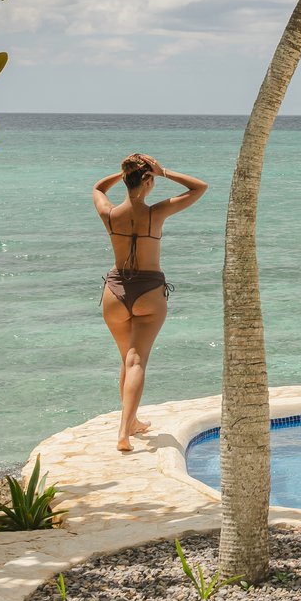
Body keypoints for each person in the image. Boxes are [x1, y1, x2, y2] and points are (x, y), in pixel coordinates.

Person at [92, 151, 208, 451]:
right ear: (147, 180)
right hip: (148, 292)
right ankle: (124, 431)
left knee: (127, 360)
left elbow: (98, 190)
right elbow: (199, 187)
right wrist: (163, 171)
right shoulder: (156, 213)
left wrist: (121, 173)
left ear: (126, 180)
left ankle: (130, 423)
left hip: (115, 292)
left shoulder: (109, 214)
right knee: (137, 360)